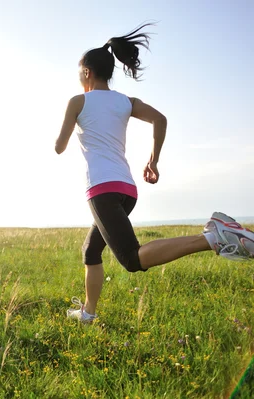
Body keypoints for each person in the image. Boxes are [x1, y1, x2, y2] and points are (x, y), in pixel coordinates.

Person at [54, 23, 254, 324]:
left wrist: (72, 128)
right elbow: (160, 119)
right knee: (91, 251)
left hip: (102, 190)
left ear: (86, 73)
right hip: (126, 191)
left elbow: (59, 147)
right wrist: (153, 161)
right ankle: (88, 313)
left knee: (133, 260)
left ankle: (212, 237)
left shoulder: (78, 101)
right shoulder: (126, 102)